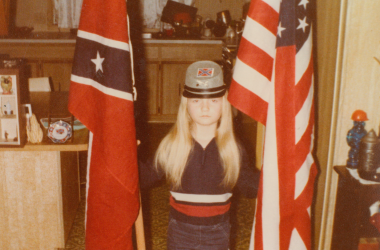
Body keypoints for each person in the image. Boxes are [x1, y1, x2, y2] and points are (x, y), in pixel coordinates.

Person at [139, 60, 260, 250]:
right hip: (180, 232)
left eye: (213, 100)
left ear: (224, 104)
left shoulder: (233, 149)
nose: (205, 107)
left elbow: (250, 187)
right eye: (197, 100)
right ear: (186, 105)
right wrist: (126, 156)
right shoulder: (172, 146)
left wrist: (275, 172)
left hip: (218, 232)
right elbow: (145, 177)